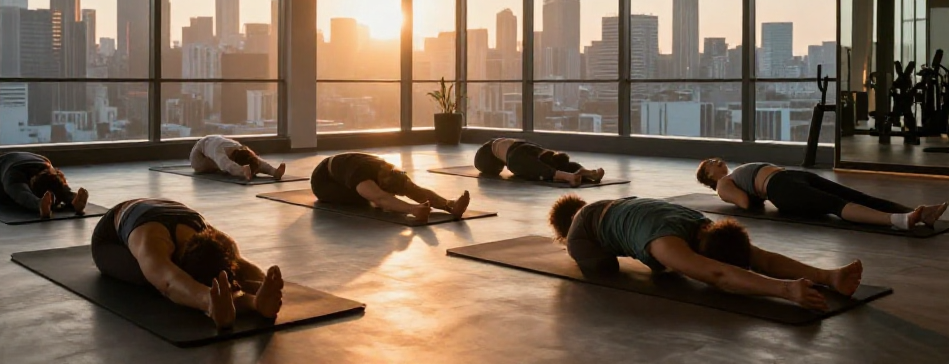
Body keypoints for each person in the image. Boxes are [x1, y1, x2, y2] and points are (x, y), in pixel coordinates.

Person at [549, 194, 863, 310]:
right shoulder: (666, 242)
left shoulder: (706, 226)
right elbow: (718, 274)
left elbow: (761, 258)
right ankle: (565, 243)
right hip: (586, 230)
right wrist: (786, 291)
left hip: (624, 207)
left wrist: (827, 276)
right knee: (605, 271)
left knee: (667, 271)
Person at [91, 198, 284, 329]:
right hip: (109, 241)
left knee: (228, 269)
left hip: (169, 210)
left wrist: (264, 283)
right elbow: (169, 282)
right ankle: (247, 302)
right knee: (151, 278)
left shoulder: (218, 239)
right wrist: (209, 303)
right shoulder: (151, 240)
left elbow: (239, 263)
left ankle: (254, 302)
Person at [695, 159, 948, 230]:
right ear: (710, 177)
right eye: (710, 164)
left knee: (855, 194)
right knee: (837, 204)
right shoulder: (723, 185)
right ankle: (900, 221)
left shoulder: (730, 176)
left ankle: (917, 212)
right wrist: (746, 191)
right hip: (781, 189)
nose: (716, 161)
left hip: (790, 177)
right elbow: (745, 203)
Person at [311, 152, 470, 223]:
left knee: (407, 190)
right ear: (381, 179)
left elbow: (416, 190)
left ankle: (450, 205)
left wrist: (447, 205)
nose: (393, 193)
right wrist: (412, 209)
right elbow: (381, 198)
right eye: (391, 190)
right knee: (370, 198)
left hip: (348, 171)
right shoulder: (361, 174)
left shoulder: (392, 171)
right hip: (325, 182)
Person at [0, 152, 88, 219]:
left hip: (25, 162)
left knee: (57, 188)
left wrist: (72, 197)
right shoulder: (13, 175)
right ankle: (39, 203)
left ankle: (73, 200)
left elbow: (59, 185)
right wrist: (39, 204)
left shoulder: (47, 167)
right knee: (15, 195)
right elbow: (23, 194)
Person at [474, 138, 605, 187]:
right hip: (526, 145)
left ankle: (569, 176)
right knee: (554, 161)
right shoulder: (498, 142)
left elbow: (537, 170)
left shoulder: (490, 153)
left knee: (538, 170)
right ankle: (587, 172)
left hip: (515, 154)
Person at [190, 135, 286, 182]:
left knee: (254, 163)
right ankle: (243, 170)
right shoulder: (219, 152)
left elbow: (256, 160)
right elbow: (227, 165)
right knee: (224, 167)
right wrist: (243, 171)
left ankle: (275, 172)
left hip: (213, 145)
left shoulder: (241, 148)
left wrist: (273, 171)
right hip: (199, 156)